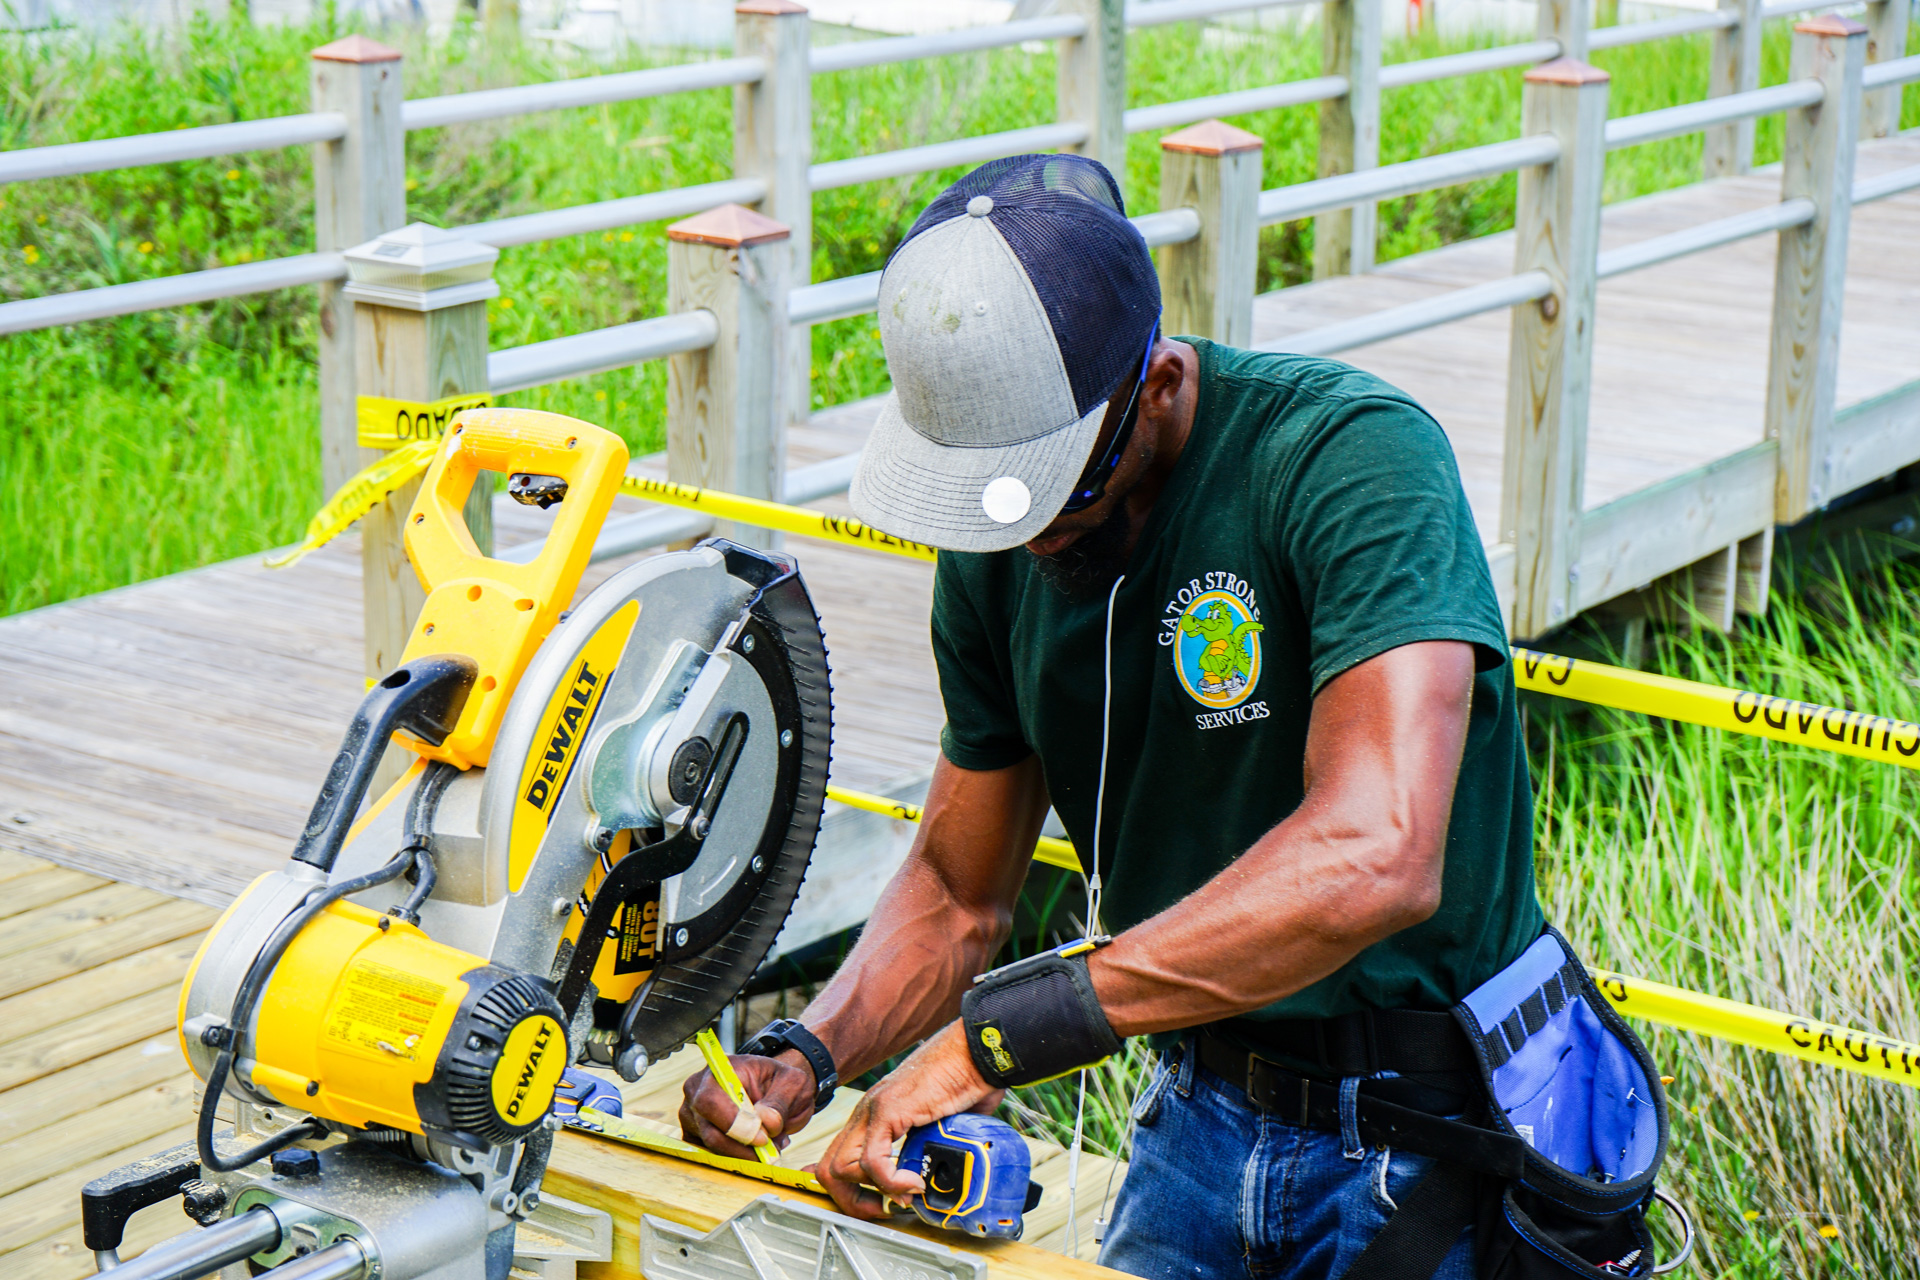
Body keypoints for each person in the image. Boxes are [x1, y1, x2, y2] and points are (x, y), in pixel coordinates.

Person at [679, 153, 1543, 1279]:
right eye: (1004, 507)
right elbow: (955, 890)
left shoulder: (1348, 459)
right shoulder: (1000, 554)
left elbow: (1375, 852)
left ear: (1163, 384)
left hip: (1422, 1118)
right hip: (1201, 1100)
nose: (1039, 542)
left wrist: (1007, 1031)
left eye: (1064, 492)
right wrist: (811, 1046)